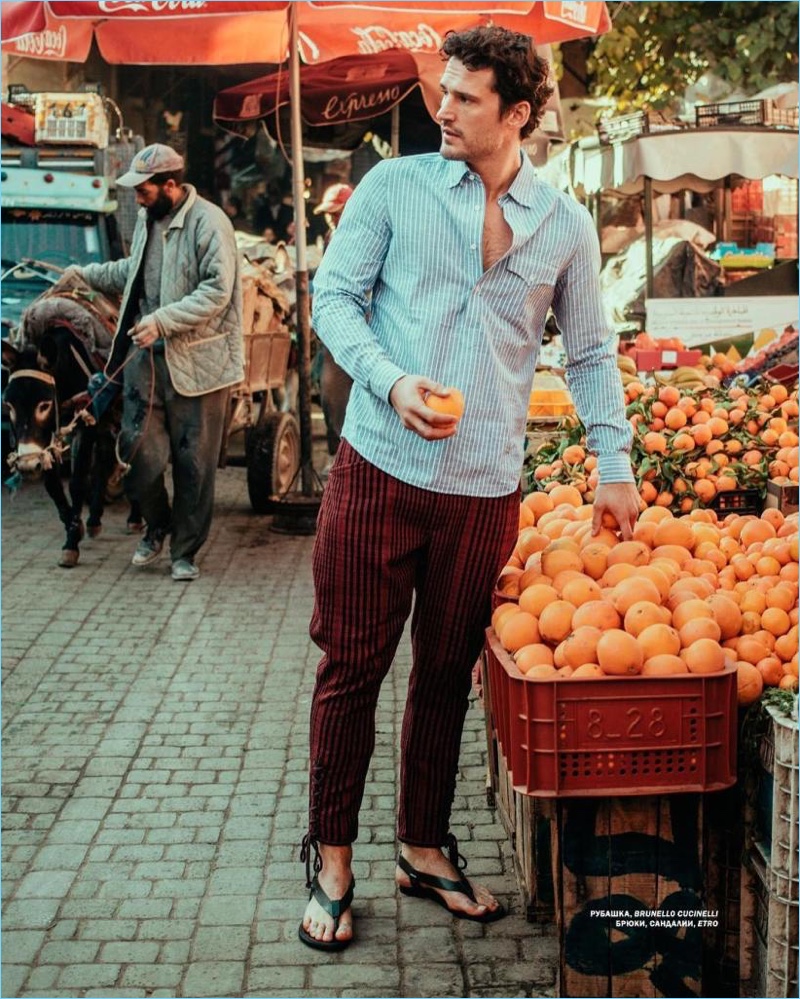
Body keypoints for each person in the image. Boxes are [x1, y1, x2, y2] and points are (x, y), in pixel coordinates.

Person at [298, 26, 641, 951]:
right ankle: (331, 856)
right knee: (352, 667)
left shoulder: (562, 224)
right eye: (442, 90)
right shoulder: (394, 187)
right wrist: (394, 382)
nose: (441, 108)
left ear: (518, 114)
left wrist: (616, 463)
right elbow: (333, 300)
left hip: (485, 485)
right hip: (379, 466)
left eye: (465, 97)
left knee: (447, 673)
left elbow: (590, 349)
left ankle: (421, 843)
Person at [77, 142, 244, 582]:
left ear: (170, 185)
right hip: (144, 361)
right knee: (136, 454)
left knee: (194, 466)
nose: (138, 198)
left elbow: (217, 291)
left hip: (198, 366)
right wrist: (82, 275)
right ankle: (157, 524)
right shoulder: (149, 222)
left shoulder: (210, 223)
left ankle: (185, 551)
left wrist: (163, 321)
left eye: (144, 190)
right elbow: (130, 275)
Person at [311, 183, 355, 467]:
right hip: (331, 334)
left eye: (335, 213)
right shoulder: (331, 236)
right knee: (329, 397)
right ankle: (339, 454)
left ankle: (346, 457)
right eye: (329, 214)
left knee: (340, 397)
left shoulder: (358, 236)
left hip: (352, 330)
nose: (331, 218)